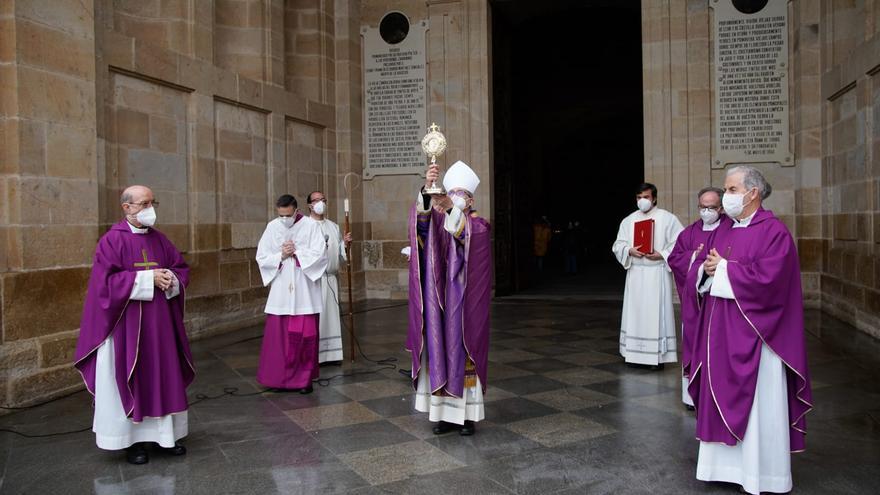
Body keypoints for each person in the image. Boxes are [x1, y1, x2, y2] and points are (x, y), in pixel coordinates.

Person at [689, 166, 812, 494]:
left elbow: (772, 282)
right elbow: (706, 271)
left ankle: (760, 475)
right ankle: (721, 468)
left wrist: (725, 270)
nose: (725, 196)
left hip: (758, 336)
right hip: (720, 335)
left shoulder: (775, 232)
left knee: (759, 405)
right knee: (718, 393)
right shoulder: (725, 229)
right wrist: (705, 271)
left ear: (752, 192)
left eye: (730, 190)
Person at [74, 185, 193, 465]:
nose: (150, 209)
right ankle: (132, 442)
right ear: (126, 207)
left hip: (160, 326)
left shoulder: (161, 240)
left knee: (163, 375)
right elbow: (104, 285)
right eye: (143, 203)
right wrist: (146, 279)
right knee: (132, 377)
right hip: (127, 327)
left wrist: (170, 278)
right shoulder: (111, 241)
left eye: (153, 202)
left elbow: (180, 267)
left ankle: (165, 437)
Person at [406, 160, 492, 436]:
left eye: (460, 195)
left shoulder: (479, 225)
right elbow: (421, 229)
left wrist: (451, 206)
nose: (455, 198)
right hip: (440, 301)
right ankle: (444, 415)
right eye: (451, 193)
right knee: (440, 348)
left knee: (463, 351)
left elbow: (466, 232)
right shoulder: (441, 220)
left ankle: (467, 417)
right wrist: (426, 190)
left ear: (470, 199)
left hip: (466, 304)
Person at [255, 194, 328, 393]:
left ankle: (304, 381)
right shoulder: (272, 227)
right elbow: (261, 256)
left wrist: (296, 252)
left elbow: (320, 255)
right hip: (281, 291)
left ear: (296, 211)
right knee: (278, 340)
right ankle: (279, 379)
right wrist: (282, 255)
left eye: (288, 215)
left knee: (306, 336)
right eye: (281, 215)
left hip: (304, 289)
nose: (284, 219)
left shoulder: (311, 226)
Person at [612, 183, 684, 369]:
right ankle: (634, 354)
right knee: (635, 313)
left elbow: (681, 243)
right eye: (638, 197)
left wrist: (663, 254)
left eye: (646, 197)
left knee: (656, 313)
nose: (642, 201)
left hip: (656, 273)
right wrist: (629, 250)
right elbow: (617, 244)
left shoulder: (668, 219)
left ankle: (656, 357)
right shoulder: (629, 220)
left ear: (654, 198)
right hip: (636, 273)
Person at [667, 187, 726, 409]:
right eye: (703, 207)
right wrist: (695, 258)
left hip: (720, 303)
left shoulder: (730, 230)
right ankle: (692, 396)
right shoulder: (689, 233)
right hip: (694, 304)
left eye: (711, 207)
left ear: (720, 208)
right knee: (692, 345)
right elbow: (675, 259)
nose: (706, 211)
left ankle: (715, 395)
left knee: (717, 348)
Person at [306, 191, 352, 364]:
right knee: (317, 318)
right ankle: (315, 355)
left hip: (331, 278)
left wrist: (344, 245)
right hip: (314, 280)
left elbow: (339, 252)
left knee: (330, 317)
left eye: (323, 200)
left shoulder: (333, 226)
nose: (321, 203)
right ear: (309, 205)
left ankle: (331, 355)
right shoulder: (305, 226)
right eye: (317, 200)